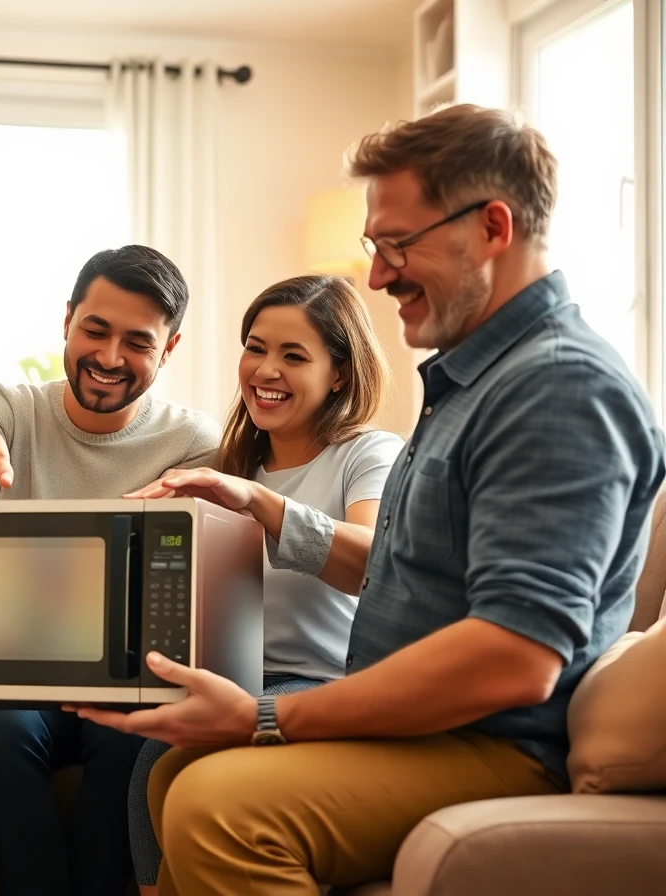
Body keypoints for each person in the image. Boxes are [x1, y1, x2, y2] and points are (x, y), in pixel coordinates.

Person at [74, 104, 666, 896]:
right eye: (373, 248)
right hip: (428, 731)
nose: (380, 276)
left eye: (397, 244)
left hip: (496, 744)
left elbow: (518, 656)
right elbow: (384, 570)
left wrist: (264, 717)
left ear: (493, 227)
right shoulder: (474, 382)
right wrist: (255, 505)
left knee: (219, 807)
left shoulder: (558, 387)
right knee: (172, 772)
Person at [0, 245, 221, 896]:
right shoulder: (12, 409)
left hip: (127, 672)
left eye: (137, 343)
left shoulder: (195, 444)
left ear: (169, 350)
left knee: (130, 736)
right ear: (67, 321)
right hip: (14, 670)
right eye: (95, 330)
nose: (109, 357)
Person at [124, 273, 404, 894]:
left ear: (339, 374)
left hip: (320, 681)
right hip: (230, 675)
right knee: (149, 767)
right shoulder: (232, 465)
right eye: (256, 347)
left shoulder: (368, 454)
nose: (266, 369)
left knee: (175, 766)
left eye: (294, 356)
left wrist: (256, 502)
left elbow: (371, 560)